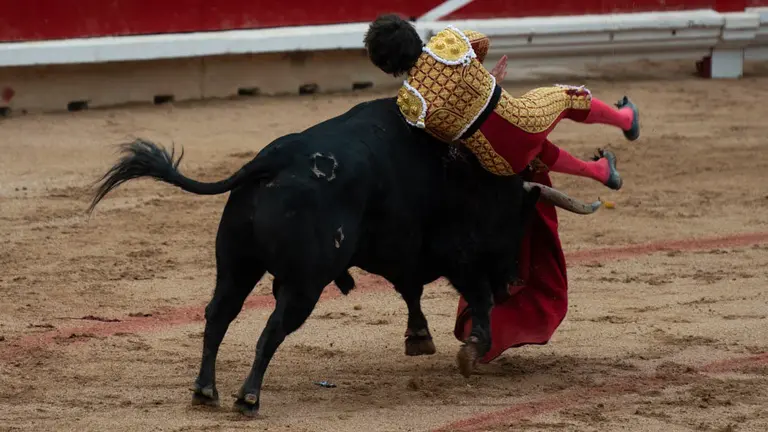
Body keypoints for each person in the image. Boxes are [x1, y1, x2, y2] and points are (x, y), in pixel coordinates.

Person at [363, 14, 641, 191]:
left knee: (532, 150)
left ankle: (599, 171)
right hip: (526, 120)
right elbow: (482, 42)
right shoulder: (447, 44)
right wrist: (480, 78)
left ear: (386, 66)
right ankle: (626, 119)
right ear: (411, 32)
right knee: (568, 98)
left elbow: (445, 137)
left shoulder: (410, 103)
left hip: (500, 163)